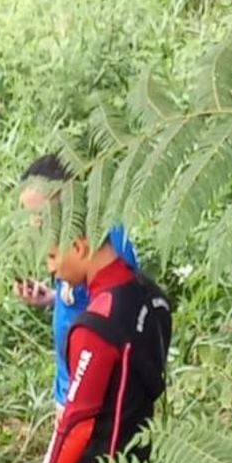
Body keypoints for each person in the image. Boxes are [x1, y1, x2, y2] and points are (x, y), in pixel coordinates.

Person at [15, 227, 172, 463]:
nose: (51, 269)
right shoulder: (153, 297)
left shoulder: (96, 328)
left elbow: (77, 426)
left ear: (79, 246)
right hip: (134, 462)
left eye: (52, 256)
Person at [14, 154, 140, 422]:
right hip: (68, 391)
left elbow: (116, 315)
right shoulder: (65, 240)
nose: (35, 225)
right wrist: (50, 298)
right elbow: (80, 297)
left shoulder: (104, 246)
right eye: (30, 217)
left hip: (96, 402)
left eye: (41, 215)